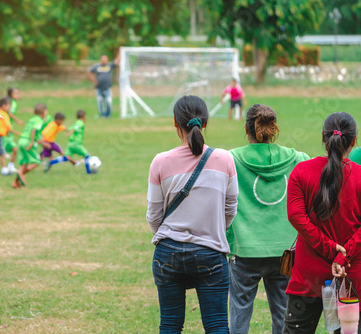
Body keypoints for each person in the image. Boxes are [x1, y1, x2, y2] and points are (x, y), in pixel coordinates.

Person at [147, 95, 238, 333]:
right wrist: (212, 229)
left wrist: (170, 236)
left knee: (169, 324)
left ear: (175, 123)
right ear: (205, 123)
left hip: (167, 253)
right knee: (217, 324)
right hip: (211, 253)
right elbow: (230, 210)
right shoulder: (225, 159)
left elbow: (154, 215)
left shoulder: (160, 161)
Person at [226, 104, 309, 334]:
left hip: (244, 250)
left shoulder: (230, 159)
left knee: (239, 316)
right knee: (283, 317)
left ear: (246, 129)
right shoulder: (298, 158)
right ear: (274, 128)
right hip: (285, 252)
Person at [283, 112, 361, 333]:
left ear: (323, 138)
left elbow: (296, 216)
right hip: (352, 278)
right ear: (354, 141)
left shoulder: (301, 172)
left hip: (307, 279)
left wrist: (329, 250)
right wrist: (341, 255)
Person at [12, 103, 51, 188]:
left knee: (25, 163)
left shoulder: (32, 119)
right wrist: (32, 143)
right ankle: (20, 173)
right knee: (36, 162)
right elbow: (33, 130)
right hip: (28, 141)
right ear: (43, 112)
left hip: (21, 141)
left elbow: (35, 135)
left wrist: (43, 144)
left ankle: (15, 183)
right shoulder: (39, 121)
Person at [88, 52, 120, 118]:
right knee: (100, 101)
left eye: (105, 60)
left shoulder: (110, 65)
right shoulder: (97, 66)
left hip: (107, 87)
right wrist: (94, 80)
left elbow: (116, 61)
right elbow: (89, 71)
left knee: (108, 101)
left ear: (107, 60)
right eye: (103, 60)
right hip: (99, 88)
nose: (104, 61)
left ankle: (108, 115)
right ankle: (102, 115)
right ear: (101, 60)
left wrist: (120, 52)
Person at [3, 87, 23, 174]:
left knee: (7, 147)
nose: (18, 95)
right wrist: (18, 120)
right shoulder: (11, 103)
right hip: (7, 126)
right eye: (15, 93)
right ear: (11, 94)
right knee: (14, 149)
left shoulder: (11, 102)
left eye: (18, 93)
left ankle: (9, 166)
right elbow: (9, 113)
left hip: (8, 126)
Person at [65, 110, 92, 174]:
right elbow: (75, 128)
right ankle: (88, 172)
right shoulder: (80, 122)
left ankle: (51, 163)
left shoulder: (76, 122)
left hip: (70, 143)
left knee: (66, 157)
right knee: (87, 155)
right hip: (76, 143)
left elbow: (69, 128)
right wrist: (70, 132)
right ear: (84, 117)